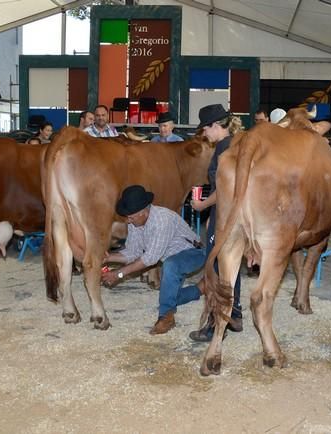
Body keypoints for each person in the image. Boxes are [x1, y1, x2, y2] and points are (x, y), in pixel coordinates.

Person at [101, 185, 205, 335]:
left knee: (170, 266)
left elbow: (150, 259)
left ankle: (166, 317)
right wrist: (108, 258)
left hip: (193, 253)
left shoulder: (163, 219)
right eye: (128, 217)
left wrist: (118, 274)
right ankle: (200, 289)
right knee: (168, 294)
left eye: (131, 217)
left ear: (144, 212)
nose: (128, 221)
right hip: (172, 260)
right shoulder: (136, 223)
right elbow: (132, 252)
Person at [188, 104, 244, 342]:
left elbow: (223, 189)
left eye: (205, 129)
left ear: (215, 126)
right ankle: (236, 314)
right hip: (236, 216)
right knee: (233, 264)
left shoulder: (223, 148)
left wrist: (202, 206)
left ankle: (213, 325)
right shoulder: (238, 143)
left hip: (225, 216)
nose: (203, 134)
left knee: (216, 268)